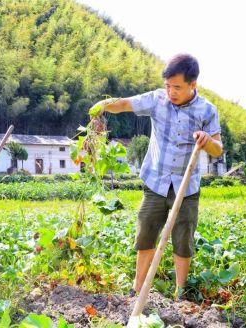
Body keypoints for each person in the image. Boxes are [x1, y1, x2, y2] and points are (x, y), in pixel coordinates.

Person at [91, 53, 223, 299]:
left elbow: (218, 148)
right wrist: (102, 106)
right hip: (156, 182)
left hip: (187, 187)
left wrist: (206, 142)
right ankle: (137, 288)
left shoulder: (207, 110)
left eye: (177, 87)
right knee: (145, 234)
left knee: (183, 239)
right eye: (168, 85)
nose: (171, 91)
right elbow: (124, 104)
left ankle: (180, 293)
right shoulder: (157, 100)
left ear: (193, 84)